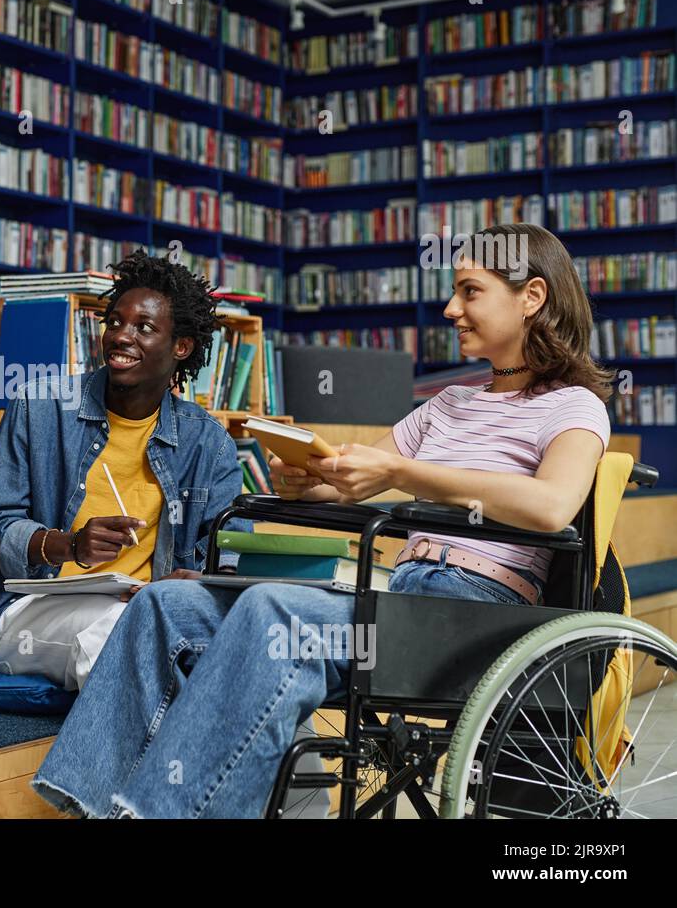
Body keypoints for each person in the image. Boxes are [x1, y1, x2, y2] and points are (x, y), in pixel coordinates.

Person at [31, 223, 615, 817]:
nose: (451, 308)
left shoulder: (574, 406)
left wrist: (400, 474)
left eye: (470, 291)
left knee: (271, 609)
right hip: (402, 602)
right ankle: (92, 803)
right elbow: (356, 477)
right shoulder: (449, 405)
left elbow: (550, 507)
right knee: (164, 605)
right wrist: (312, 478)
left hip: (473, 621)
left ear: (532, 297)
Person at [0, 250, 249, 698]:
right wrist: (71, 545)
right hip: (33, 609)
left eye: (144, 328)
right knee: (133, 637)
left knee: (226, 646)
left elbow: (234, 555)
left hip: (152, 611)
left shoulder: (209, 443)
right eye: (116, 322)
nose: (121, 336)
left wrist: (195, 583)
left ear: (181, 346)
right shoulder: (40, 406)